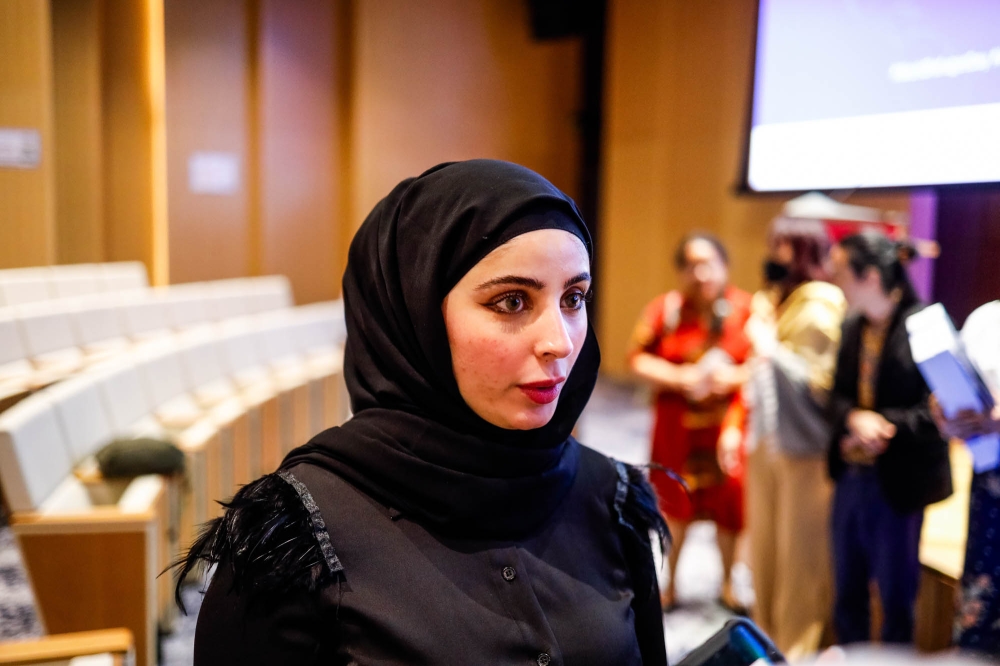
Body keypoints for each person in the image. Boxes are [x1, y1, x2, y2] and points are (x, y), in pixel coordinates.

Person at [175, 159, 672, 665]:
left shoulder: (612, 498)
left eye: (573, 297)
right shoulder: (297, 541)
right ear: (414, 311)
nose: (560, 342)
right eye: (512, 302)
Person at [827, 231, 952, 645]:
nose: (835, 280)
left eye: (842, 272)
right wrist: (854, 418)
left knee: (897, 602)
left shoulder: (926, 326)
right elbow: (836, 396)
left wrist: (883, 426)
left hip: (899, 483)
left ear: (871, 278)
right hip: (851, 476)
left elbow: (943, 411)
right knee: (846, 595)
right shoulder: (851, 325)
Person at [628, 232, 752, 612]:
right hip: (676, 429)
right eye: (692, 265)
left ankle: (731, 583)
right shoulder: (666, 310)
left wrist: (730, 379)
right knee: (674, 505)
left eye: (708, 263)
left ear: (724, 265)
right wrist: (682, 378)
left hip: (726, 429)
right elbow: (636, 358)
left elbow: (763, 365)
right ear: (682, 271)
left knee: (731, 506)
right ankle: (669, 582)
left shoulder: (746, 310)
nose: (701, 273)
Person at [743, 217, 846, 654]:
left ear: (804, 250)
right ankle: (767, 640)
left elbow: (820, 384)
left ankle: (798, 650)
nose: (775, 253)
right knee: (764, 552)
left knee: (800, 559)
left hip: (805, 447)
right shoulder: (777, 299)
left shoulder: (821, 302)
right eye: (773, 243)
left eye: (785, 245)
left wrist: (768, 345)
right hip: (767, 441)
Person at [931, 299, 1000, 655]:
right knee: (979, 627)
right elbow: (949, 390)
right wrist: (944, 413)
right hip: (989, 491)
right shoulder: (987, 319)